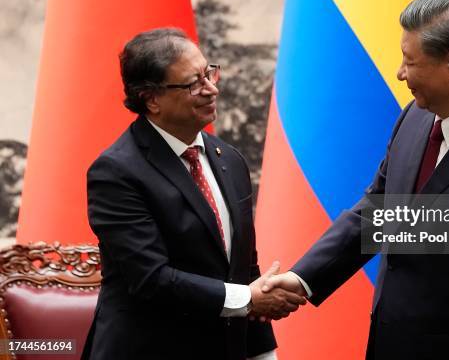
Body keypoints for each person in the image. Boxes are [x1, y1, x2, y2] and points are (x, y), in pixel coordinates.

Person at [263, 0, 449, 359]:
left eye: (409, 61)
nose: (400, 73)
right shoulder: (415, 117)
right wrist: (302, 279)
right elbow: (380, 213)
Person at [82, 28, 305, 360]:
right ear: (151, 99)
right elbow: (151, 279)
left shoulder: (228, 158)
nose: (211, 88)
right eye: (193, 84)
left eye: (209, 73)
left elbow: (245, 270)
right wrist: (246, 299)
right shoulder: (116, 173)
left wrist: (263, 353)